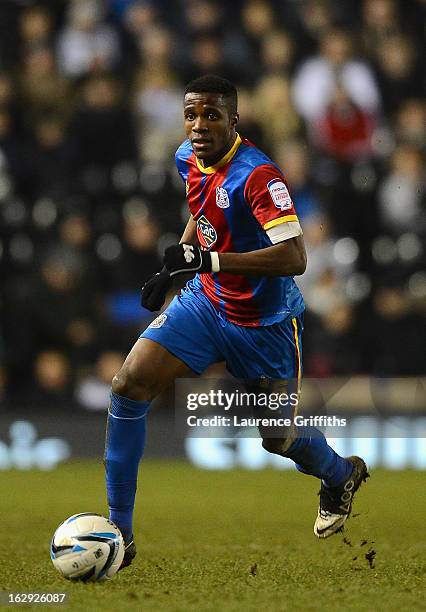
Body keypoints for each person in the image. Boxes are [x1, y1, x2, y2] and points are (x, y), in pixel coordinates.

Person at [104, 75, 369, 569]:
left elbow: (294, 257)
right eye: (191, 115)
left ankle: (339, 475)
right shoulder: (187, 156)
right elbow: (203, 213)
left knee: (277, 436)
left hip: (266, 322)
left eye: (211, 115)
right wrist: (175, 268)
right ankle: (120, 532)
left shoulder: (258, 175)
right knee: (129, 383)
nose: (198, 126)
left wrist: (213, 262)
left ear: (234, 120)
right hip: (207, 304)